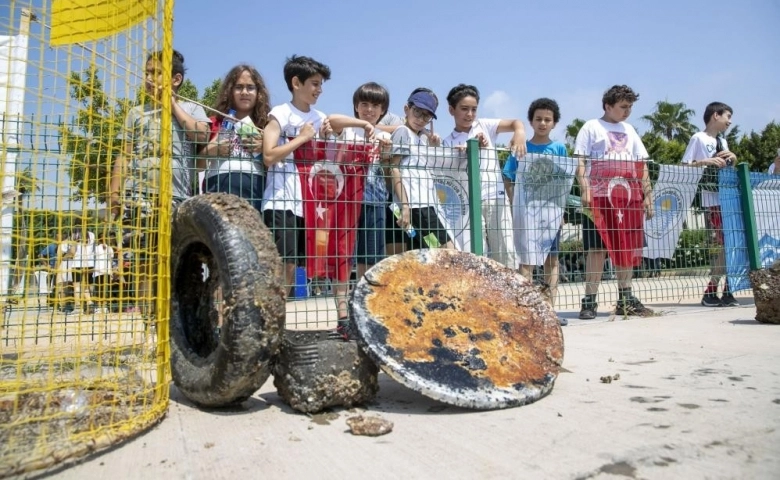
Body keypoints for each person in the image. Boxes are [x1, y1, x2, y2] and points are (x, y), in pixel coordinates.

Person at [108, 49, 211, 320]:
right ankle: (149, 324)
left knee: (176, 261)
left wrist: (172, 104)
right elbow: (125, 155)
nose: (150, 79)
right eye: (147, 73)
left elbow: (201, 134)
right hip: (139, 195)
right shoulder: (136, 114)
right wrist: (115, 193)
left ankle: (175, 322)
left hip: (177, 198)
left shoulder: (191, 109)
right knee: (144, 262)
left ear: (176, 79)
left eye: (157, 73)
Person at [574, 85, 655, 319]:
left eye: (630, 107)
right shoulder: (591, 127)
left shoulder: (630, 130)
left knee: (626, 248)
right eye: (623, 106)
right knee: (597, 249)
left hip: (627, 198)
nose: (627, 111)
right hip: (599, 198)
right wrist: (585, 189)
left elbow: (642, 165)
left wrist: (647, 195)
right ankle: (589, 301)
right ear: (608, 106)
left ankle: (626, 298)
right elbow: (580, 162)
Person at [328, 82, 398, 329]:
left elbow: (387, 170)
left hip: (375, 202)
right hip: (346, 202)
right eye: (364, 104)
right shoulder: (348, 130)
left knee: (370, 261)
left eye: (375, 105)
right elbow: (331, 120)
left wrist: (387, 153)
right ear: (356, 107)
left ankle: (363, 311)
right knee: (344, 259)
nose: (369, 109)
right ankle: (342, 316)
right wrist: (363, 125)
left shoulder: (385, 136)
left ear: (383, 109)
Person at [262, 55, 333, 295]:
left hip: (310, 204)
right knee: (285, 264)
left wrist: (365, 127)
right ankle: (273, 322)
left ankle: (283, 321)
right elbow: (269, 156)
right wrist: (301, 138)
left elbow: (337, 123)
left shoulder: (319, 118)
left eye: (321, 84)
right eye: (314, 83)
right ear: (296, 82)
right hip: (282, 201)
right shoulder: (280, 114)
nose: (319, 89)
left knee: (301, 265)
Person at [442, 84, 526, 268]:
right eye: (464, 109)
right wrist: (466, 153)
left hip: (496, 198)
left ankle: (507, 294)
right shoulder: (447, 142)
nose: (469, 114)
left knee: (506, 252)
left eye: (473, 109)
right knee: (475, 254)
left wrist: (519, 133)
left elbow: (515, 123)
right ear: (451, 110)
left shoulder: (485, 126)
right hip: (468, 204)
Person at [504, 98, 571, 326]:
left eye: (547, 119)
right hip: (526, 215)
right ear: (531, 121)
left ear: (554, 123)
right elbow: (508, 177)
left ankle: (549, 310)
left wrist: (560, 211)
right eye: (538, 119)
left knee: (552, 260)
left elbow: (562, 183)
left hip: (550, 215)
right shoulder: (521, 147)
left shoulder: (559, 148)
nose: (543, 123)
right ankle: (527, 310)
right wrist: (515, 206)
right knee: (526, 261)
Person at [682, 102, 739, 307]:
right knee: (724, 245)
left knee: (734, 243)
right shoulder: (698, 138)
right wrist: (705, 162)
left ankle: (729, 289)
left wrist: (732, 157)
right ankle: (712, 290)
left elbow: (729, 166)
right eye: (727, 116)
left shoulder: (723, 141)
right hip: (712, 200)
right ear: (716, 115)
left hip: (729, 198)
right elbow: (685, 165)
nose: (730, 121)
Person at [386, 88, 455, 252]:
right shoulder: (403, 132)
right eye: (417, 112)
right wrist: (405, 206)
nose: (421, 119)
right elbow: (394, 168)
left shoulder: (421, 138)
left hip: (422, 206)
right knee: (447, 253)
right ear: (406, 109)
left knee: (424, 258)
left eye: (427, 115)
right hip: (416, 207)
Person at [201, 64, 269, 213]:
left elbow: (278, 164)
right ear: (229, 91)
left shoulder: (268, 126)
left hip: (255, 193)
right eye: (239, 87)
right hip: (217, 192)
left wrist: (267, 147)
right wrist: (210, 150)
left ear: (259, 93)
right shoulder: (214, 122)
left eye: (250, 87)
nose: (244, 92)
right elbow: (196, 164)